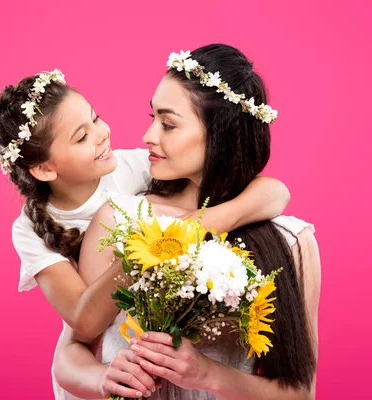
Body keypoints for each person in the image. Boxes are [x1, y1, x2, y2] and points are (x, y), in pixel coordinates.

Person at [0, 66, 292, 399]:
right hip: (100, 366)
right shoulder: (31, 227)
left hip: (142, 334)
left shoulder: (131, 167)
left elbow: (276, 193)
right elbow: (83, 324)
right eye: (82, 136)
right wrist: (145, 250)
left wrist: (198, 224)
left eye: (96, 118)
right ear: (45, 168)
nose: (102, 133)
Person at [54, 44, 319, 400]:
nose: (148, 136)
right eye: (151, 118)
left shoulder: (290, 242)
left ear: (220, 135)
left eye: (168, 124)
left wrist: (208, 374)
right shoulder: (119, 220)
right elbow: (70, 353)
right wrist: (105, 377)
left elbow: (300, 392)